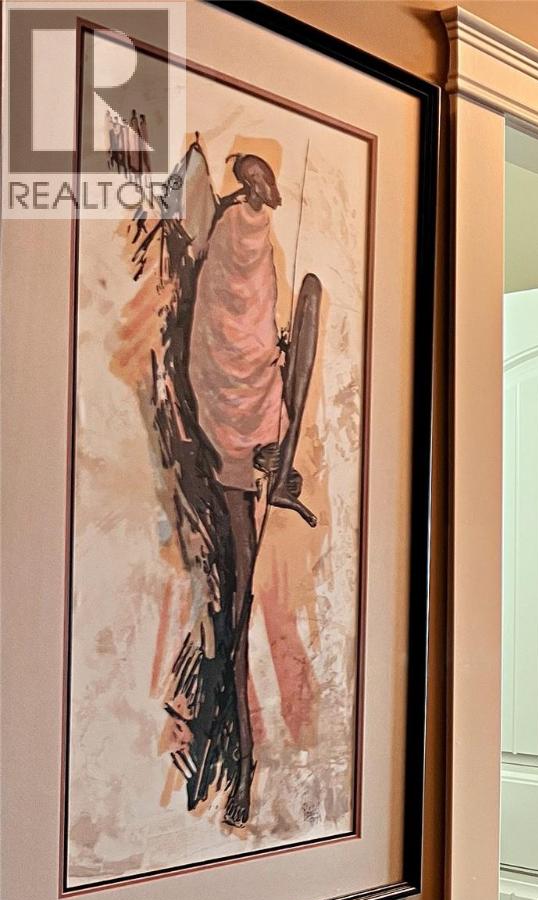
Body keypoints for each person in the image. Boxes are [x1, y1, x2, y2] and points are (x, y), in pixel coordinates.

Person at [186, 153, 302, 821]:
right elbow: (221, 337)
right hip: (231, 439)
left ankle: (241, 768)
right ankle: (236, 763)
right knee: (233, 603)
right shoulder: (233, 234)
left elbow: (250, 335)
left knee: (242, 602)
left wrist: (270, 367)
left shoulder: (252, 239)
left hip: (249, 431)